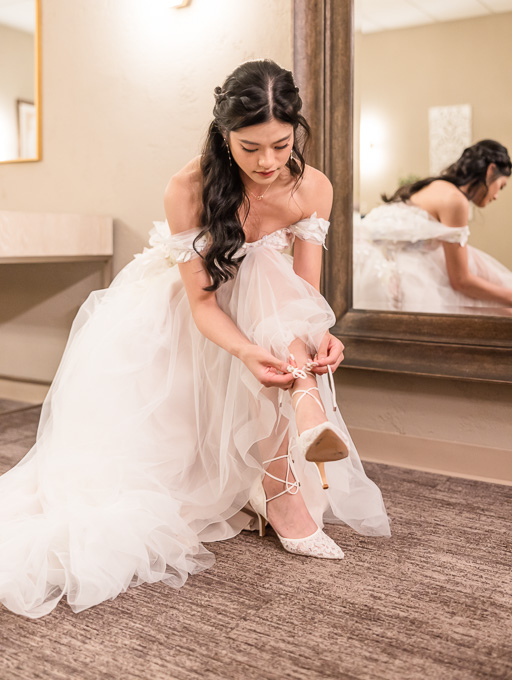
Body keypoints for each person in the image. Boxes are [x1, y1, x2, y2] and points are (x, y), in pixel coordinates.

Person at [0, 59, 390, 619]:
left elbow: (306, 293)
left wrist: (322, 334)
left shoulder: (313, 187)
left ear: (296, 133)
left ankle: (290, 451)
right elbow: (203, 304)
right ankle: (296, 441)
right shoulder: (188, 187)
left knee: (269, 282)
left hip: (270, 310)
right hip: (186, 311)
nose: (267, 162)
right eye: (250, 147)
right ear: (224, 133)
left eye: (281, 146)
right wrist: (247, 351)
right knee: (260, 286)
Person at [354, 140, 512, 314]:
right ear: (490, 170)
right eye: (501, 186)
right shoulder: (456, 200)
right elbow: (460, 280)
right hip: (389, 271)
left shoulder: (436, 185)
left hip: (365, 260)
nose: (496, 196)